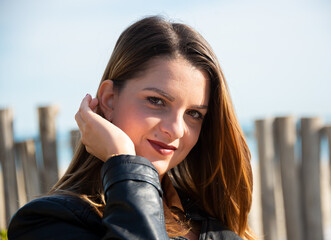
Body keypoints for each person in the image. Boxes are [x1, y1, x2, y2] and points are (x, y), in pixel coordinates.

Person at [8, 16, 255, 240]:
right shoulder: (46, 223)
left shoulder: (218, 229)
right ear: (109, 100)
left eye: (194, 114)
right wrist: (123, 161)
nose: (177, 129)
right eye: (156, 101)